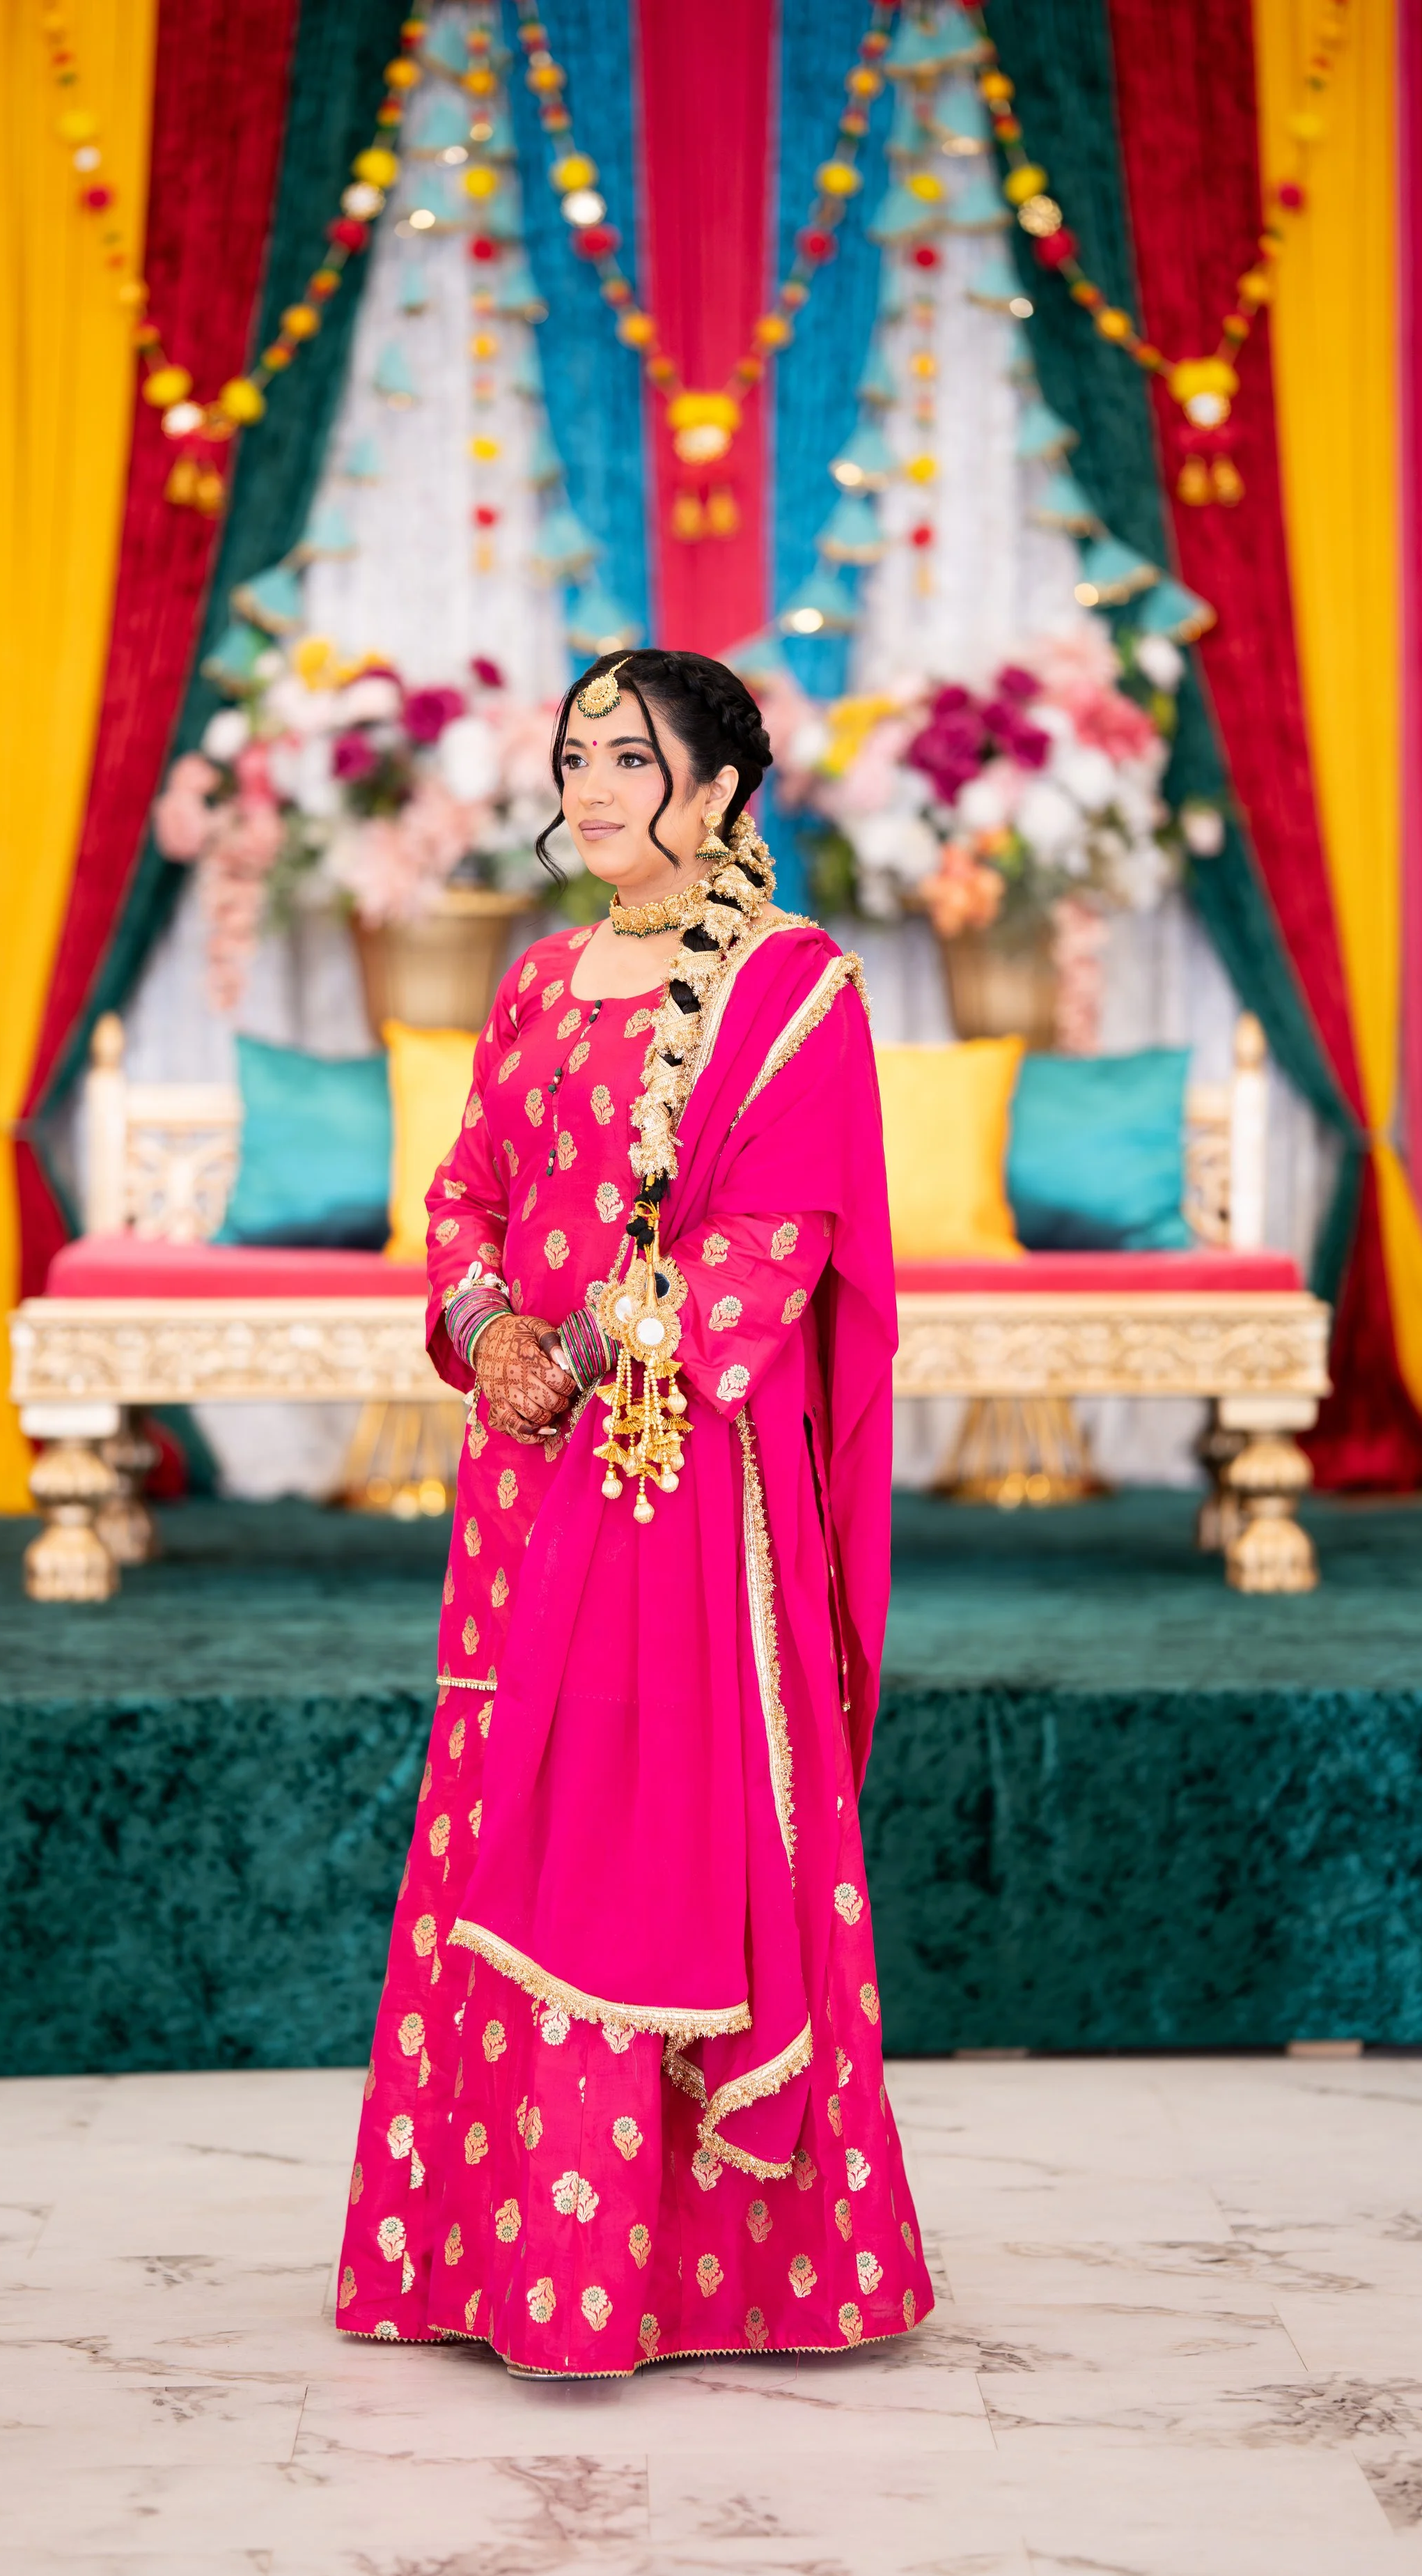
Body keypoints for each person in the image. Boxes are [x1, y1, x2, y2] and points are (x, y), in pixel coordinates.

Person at [334, 646, 932, 2375]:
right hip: (521, 1481)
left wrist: (583, 1348)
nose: (591, 788)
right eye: (576, 756)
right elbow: (468, 1194)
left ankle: (691, 2273)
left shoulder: (793, 986)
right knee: (501, 1812)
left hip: (677, 1488)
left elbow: (775, 1243)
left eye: (630, 760)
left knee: (637, 1820)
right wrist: (483, 1330)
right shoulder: (531, 981)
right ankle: (481, 2259)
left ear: (725, 792)